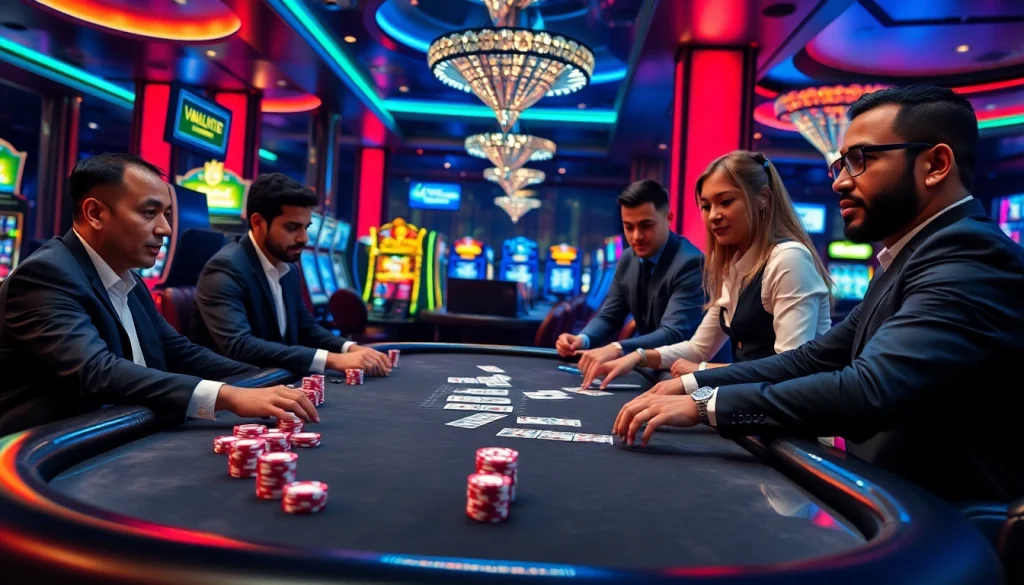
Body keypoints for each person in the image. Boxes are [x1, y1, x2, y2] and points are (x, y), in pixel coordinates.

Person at [613, 85, 1024, 503]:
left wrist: (706, 405)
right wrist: (696, 386)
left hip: (947, 530)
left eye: (860, 160)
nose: (840, 182)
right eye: (841, 164)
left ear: (935, 164)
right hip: (891, 503)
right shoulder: (907, 258)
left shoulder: (971, 255)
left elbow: (867, 389)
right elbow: (814, 358)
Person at [0, 154, 318, 437]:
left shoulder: (127, 277)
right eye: (149, 212)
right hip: (44, 461)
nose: (165, 228)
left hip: (124, 434)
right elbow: (97, 371)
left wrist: (260, 383)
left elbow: (179, 351)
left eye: (166, 214)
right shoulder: (44, 275)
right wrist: (229, 396)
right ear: (95, 213)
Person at [581, 151, 832, 390]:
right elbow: (698, 348)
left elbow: (789, 370)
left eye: (725, 202)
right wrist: (637, 357)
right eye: (706, 206)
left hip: (793, 428)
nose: (714, 215)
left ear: (763, 198)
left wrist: (698, 374)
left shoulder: (789, 259)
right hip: (751, 408)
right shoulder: (734, 267)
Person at [192, 172, 391, 376]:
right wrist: (332, 360)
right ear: (258, 223)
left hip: (276, 383)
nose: (303, 238)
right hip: (235, 389)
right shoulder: (225, 268)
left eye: (306, 228)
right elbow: (240, 346)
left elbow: (307, 328)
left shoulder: (289, 269)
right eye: (292, 227)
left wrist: (350, 348)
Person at [556, 180, 705, 381]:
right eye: (629, 227)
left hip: (691, 376)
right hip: (652, 367)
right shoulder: (628, 259)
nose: (636, 236)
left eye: (646, 225)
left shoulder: (691, 263)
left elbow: (673, 334)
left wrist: (617, 348)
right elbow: (609, 316)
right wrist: (582, 340)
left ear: (668, 218)